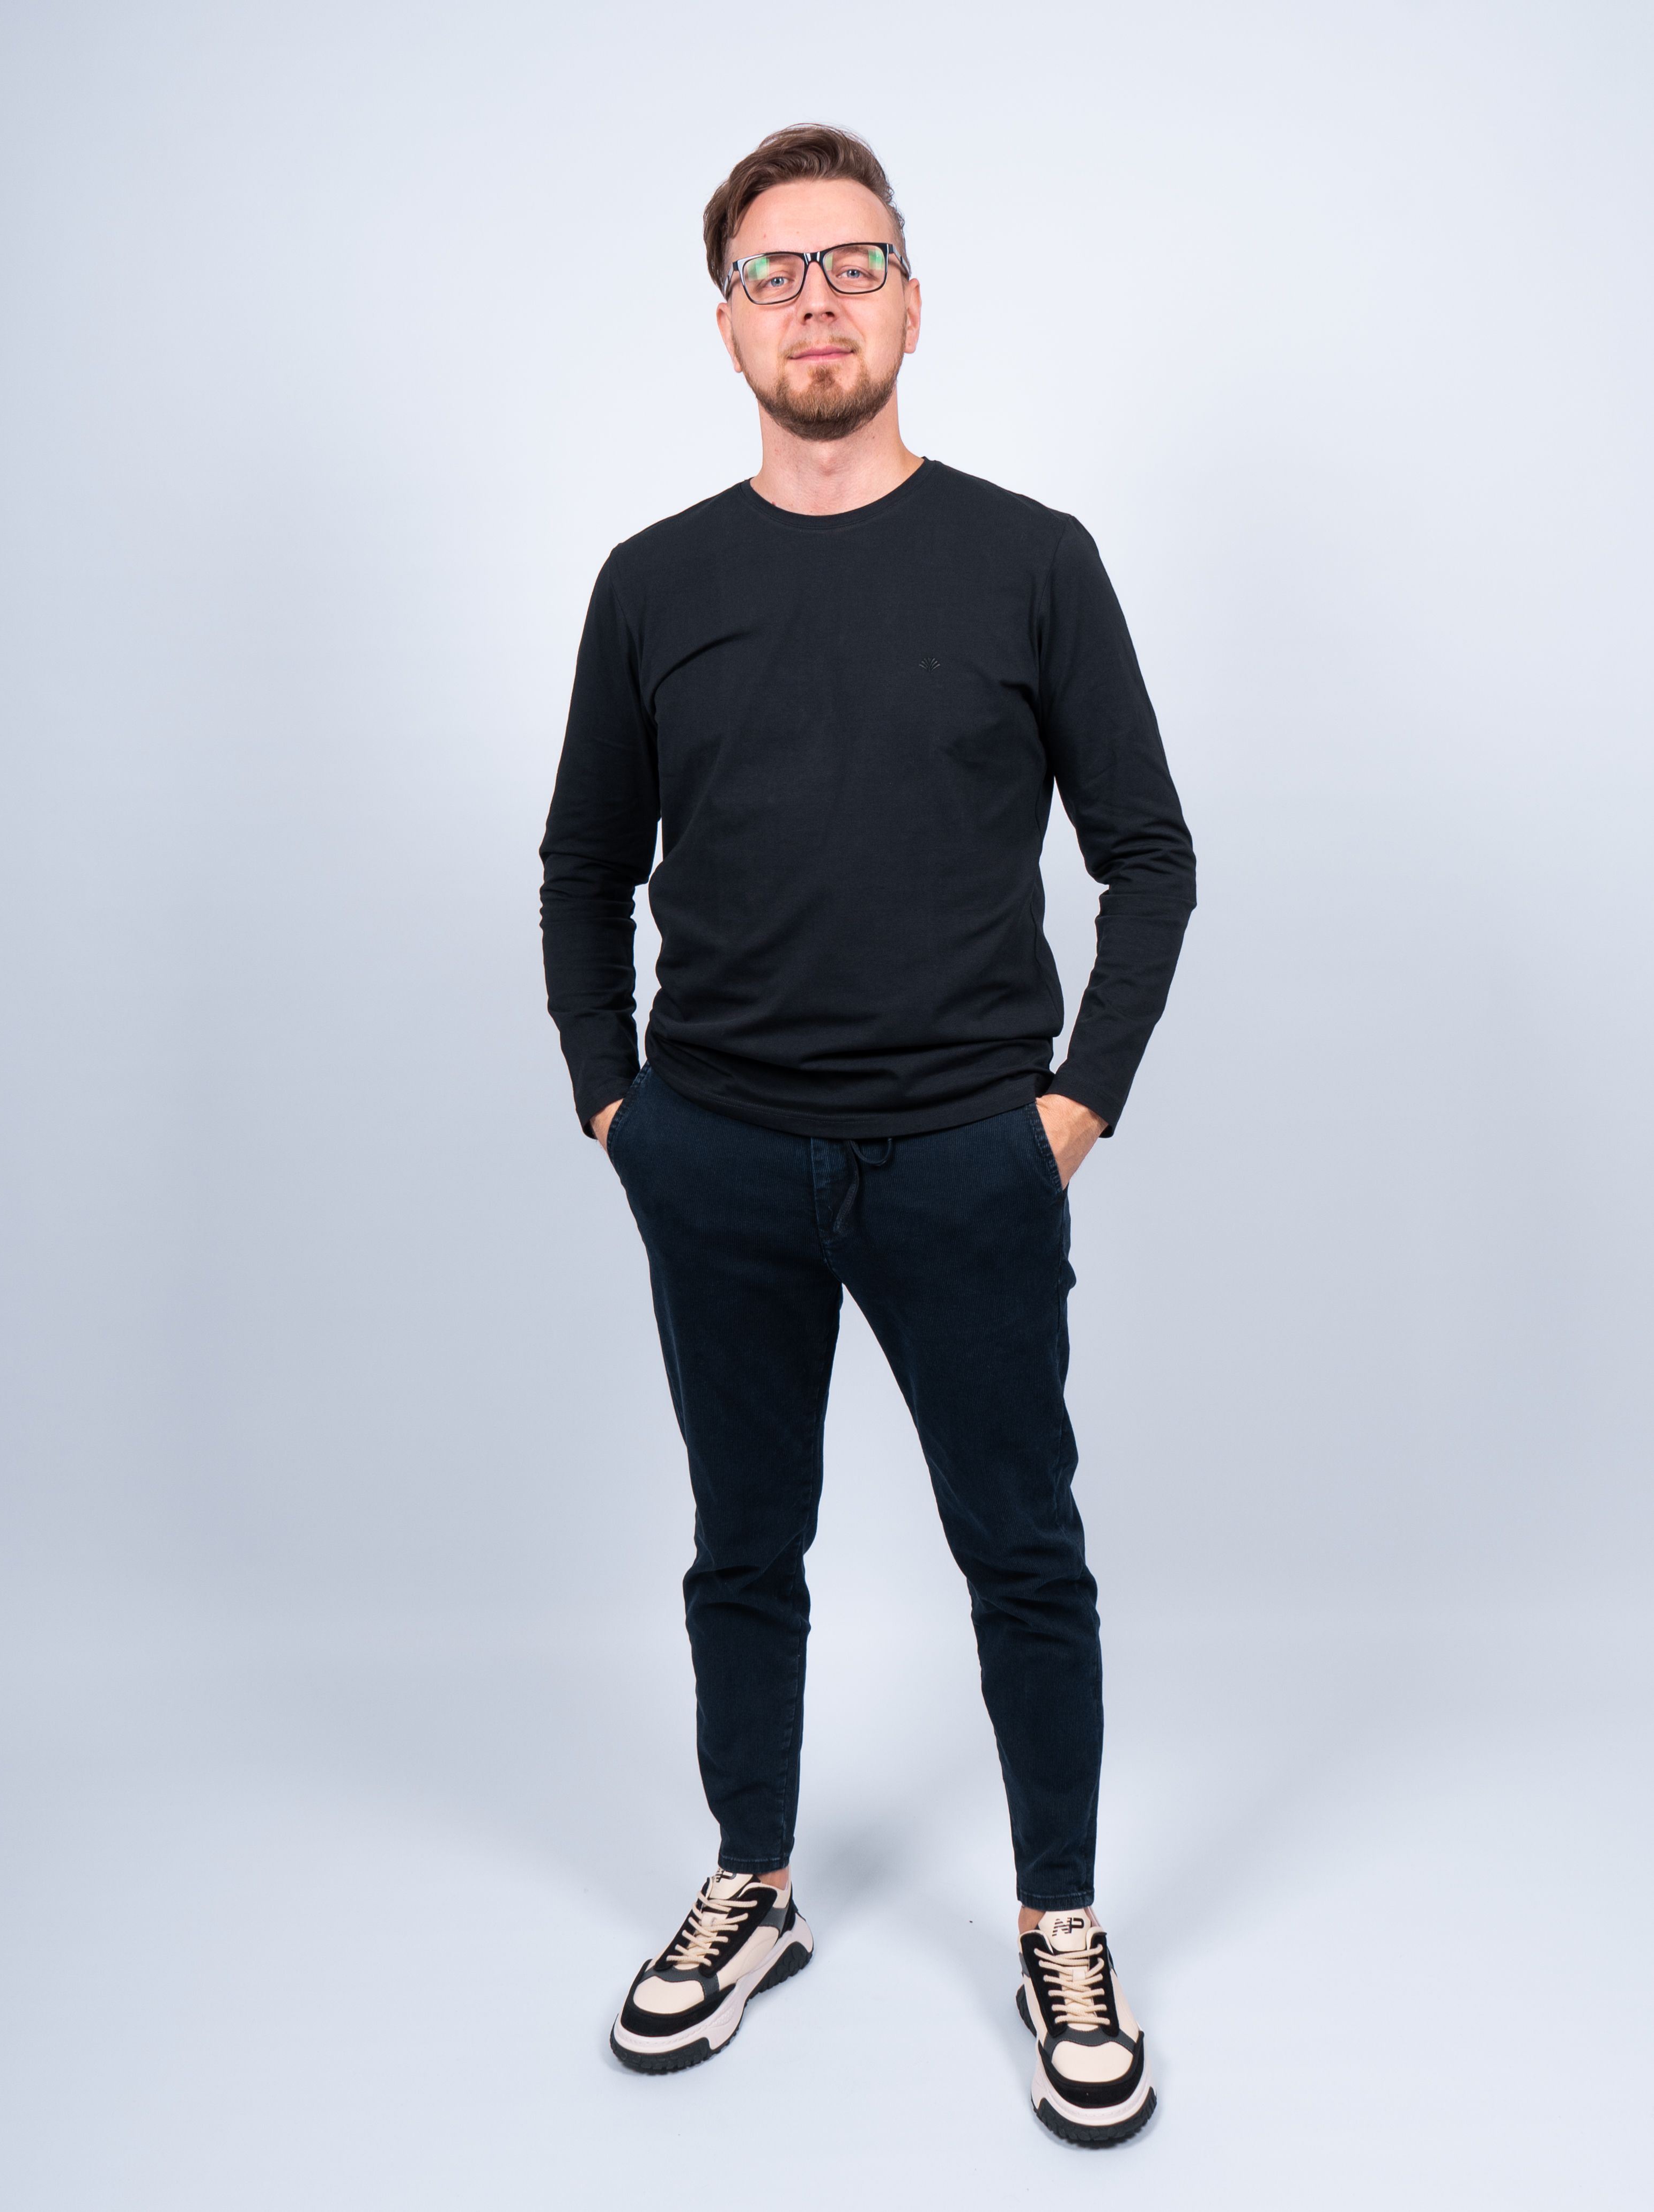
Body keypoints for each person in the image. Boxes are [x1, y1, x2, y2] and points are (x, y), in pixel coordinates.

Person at [539, 122, 1195, 2148]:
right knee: (746, 1546)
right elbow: (583, 865)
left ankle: (1060, 1918)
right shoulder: (653, 583)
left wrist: (1070, 1110)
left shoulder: (1034, 559)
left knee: (1025, 1554)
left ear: (912, 299)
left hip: (966, 1161)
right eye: (773, 271)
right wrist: (616, 1101)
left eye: (851, 264)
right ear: (726, 319)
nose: (813, 302)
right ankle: (755, 1883)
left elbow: (1151, 856)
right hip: (719, 1156)